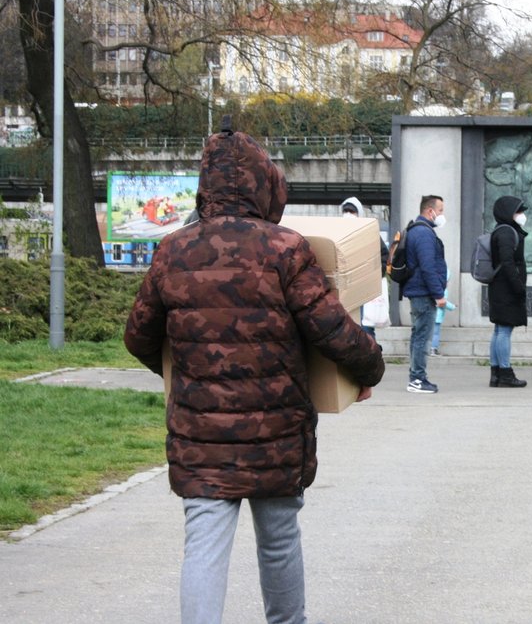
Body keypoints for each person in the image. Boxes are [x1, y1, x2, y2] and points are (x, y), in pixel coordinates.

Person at [123, 128, 385, 624]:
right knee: (280, 539)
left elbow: (138, 336)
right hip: (275, 431)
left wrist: (184, 370)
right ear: (265, 184)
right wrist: (368, 369)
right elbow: (331, 328)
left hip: (200, 435)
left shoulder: (173, 251)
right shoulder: (284, 248)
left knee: (203, 545)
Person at [402, 194, 448, 393]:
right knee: (422, 336)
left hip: (418, 290)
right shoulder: (424, 233)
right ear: (430, 211)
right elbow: (428, 267)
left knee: (418, 335)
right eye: (440, 211)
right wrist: (439, 294)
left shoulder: (417, 230)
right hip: (423, 292)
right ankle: (417, 379)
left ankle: (416, 376)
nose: (441, 215)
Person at [488, 195, 530, 387]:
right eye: (518, 211)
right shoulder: (505, 232)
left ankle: (496, 373)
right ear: (508, 213)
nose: (521, 215)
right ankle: (504, 372)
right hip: (506, 289)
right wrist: (518, 286)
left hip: (500, 287)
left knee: (499, 330)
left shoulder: (502, 230)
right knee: (504, 330)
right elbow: (507, 262)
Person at [341, 196, 389, 339]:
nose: (348, 214)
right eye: (346, 211)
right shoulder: (337, 231)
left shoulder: (369, 232)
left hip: (364, 290)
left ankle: (370, 358)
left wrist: (372, 277)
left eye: (352, 211)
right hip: (345, 291)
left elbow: (384, 257)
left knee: (365, 328)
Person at [430, 269, 456, 356]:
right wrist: (453, 307)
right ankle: (433, 349)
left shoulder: (432, 288)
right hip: (437, 316)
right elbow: (443, 303)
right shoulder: (442, 290)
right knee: (436, 333)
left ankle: (429, 349)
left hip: (431, 314)